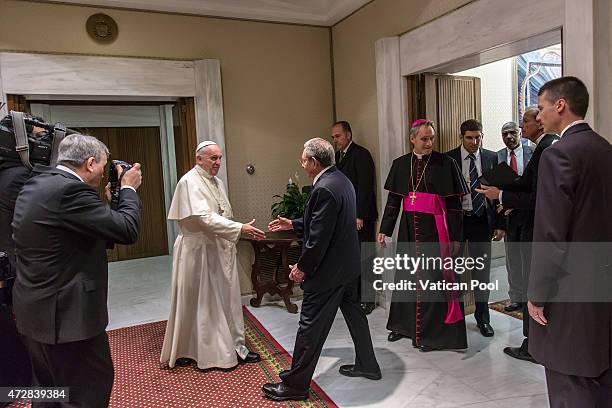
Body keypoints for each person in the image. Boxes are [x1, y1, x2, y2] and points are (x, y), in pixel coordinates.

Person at [11, 133, 142, 407]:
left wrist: (111, 204)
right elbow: (127, 231)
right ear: (91, 163)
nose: (105, 172)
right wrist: (128, 189)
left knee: (48, 392)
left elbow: (80, 235)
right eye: (104, 166)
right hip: (67, 320)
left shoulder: (36, 183)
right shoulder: (71, 191)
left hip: (34, 312)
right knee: (88, 391)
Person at [263, 138, 380, 401]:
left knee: (309, 326)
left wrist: (302, 267)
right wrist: (292, 223)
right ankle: (368, 365)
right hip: (348, 267)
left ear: (314, 163)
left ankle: (296, 385)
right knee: (355, 316)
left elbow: (319, 238)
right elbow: (325, 221)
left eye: (303, 159)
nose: (302, 164)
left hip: (329, 273)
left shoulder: (324, 189)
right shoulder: (341, 180)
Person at [526, 76, 612, 407]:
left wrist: (537, 294)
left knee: (570, 385)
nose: (538, 115)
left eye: (541, 107)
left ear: (560, 105)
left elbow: (551, 234)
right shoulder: (605, 149)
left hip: (569, 291)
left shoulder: (559, 154)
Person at [160, 141, 265, 371]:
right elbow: (204, 218)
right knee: (202, 302)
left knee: (225, 299)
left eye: (220, 158)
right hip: (198, 251)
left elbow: (222, 213)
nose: (218, 163)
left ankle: (235, 346)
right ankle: (198, 351)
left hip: (218, 247)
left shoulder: (217, 182)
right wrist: (239, 229)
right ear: (199, 159)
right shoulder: (189, 182)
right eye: (213, 158)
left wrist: (235, 228)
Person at [380, 119, 469, 351]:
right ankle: (402, 326)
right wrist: (384, 229)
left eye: (431, 138)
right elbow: (393, 202)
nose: (429, 143)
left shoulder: (446, 163)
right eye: (424, 139)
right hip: (409, 231)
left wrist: (457, 237)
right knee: (406, 279)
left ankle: (433, 335)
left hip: (436, 231)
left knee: (434, 282)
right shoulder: (401, 164)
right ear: (413, 139)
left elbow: (455, 205)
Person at [478, 108, 558, 363]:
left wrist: (500, 195)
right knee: (523, 281)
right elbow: (528, 184)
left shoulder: (547, 148)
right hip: (522, 223)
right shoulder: (544, 146)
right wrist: (506, 191)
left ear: (540, 122)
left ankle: (533, 345)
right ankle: (532, 341)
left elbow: (538, 196)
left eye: (524, 121)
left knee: (530, 287)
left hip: (533, 229)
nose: (521, 127)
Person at [446, 119, 499, 337]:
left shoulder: (491, 157)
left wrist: (500, 224)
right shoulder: (448, 158)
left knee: (482, 273)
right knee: (455, 272)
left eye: (478, 137)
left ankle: (483, 319)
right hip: (458, 222)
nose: (474, 141)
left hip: (481, 221)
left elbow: (498, 192)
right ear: (461, 137)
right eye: (469, 137)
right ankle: (456, 318)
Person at [331, 120, 378, 314]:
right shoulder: (337, 156)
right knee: (351, 257)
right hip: (345, 216)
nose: (335, 140)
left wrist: (359, 215)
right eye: (333, 137)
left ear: (348, 135)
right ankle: (354, 295)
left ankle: (369, 299)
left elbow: (366, 187)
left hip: (361, 216)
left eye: (338, 136)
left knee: (365, 255)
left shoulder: (361, 154)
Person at [496, 121, 534, 313]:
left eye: (512, 133)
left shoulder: (533, 153)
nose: (509, 137)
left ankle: (530, 297)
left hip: (528, 214)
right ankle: (515, 297)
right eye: (505, 134)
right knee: (512, 259)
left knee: (529, 258)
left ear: (519, 133)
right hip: (509, 215)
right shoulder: (498, 157)